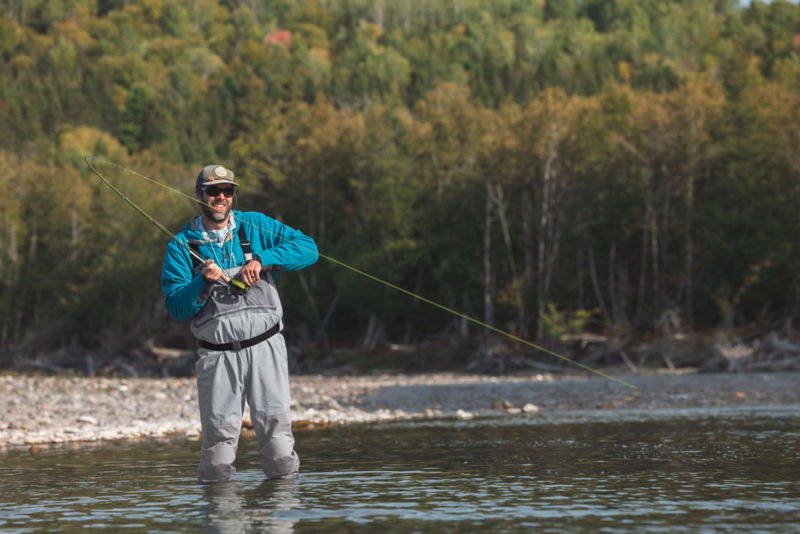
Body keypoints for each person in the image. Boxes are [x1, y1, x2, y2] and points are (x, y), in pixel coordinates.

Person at [161, 164, 318, 483]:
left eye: (227, 191)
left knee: (278, 449)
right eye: (213, 191)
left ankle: (280, 521)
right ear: (199, 195)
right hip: (216, 358)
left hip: (266, 350)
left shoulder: (256, 225)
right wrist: (201, 282)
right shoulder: (180, 246)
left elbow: (308, 249)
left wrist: (262, 260)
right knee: (217, 458)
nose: (221, 197)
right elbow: (176, 306)